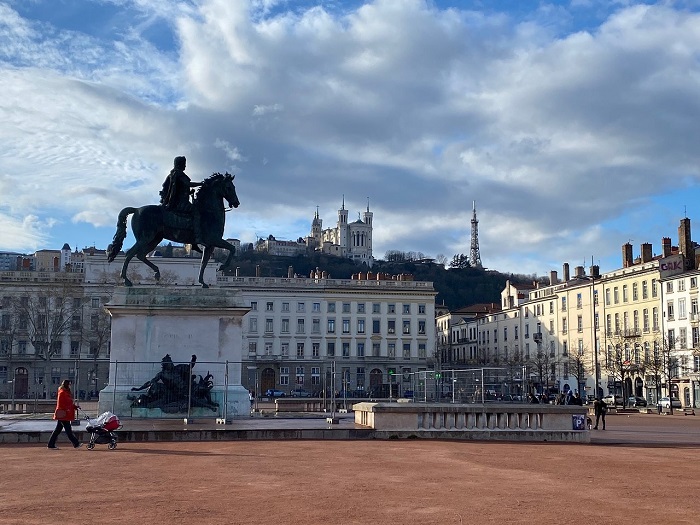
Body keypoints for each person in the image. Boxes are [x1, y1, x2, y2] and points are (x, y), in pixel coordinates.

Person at [160, 156, 203, 243]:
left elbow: (177, 189)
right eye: (184, 164)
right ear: (180, 164)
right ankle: (197, 236)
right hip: (180, 203)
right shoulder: (179, 174)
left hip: (176, 201)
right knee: (197, 212)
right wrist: (201, 183)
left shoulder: (172, 174)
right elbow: (188, 184)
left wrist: (189, 193)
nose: (185, 166)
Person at [47, 379, 82, 449]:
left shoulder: (65, 392)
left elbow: (69, 403)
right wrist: (68, 409)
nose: (70, 386)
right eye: (69, 384)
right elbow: (62, 404)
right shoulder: (63, 393)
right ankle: (76, 443)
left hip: (64, 414)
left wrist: (74, 407)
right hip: (64, 414)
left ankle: (51, 444)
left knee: (58, 430)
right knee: (68, 430)